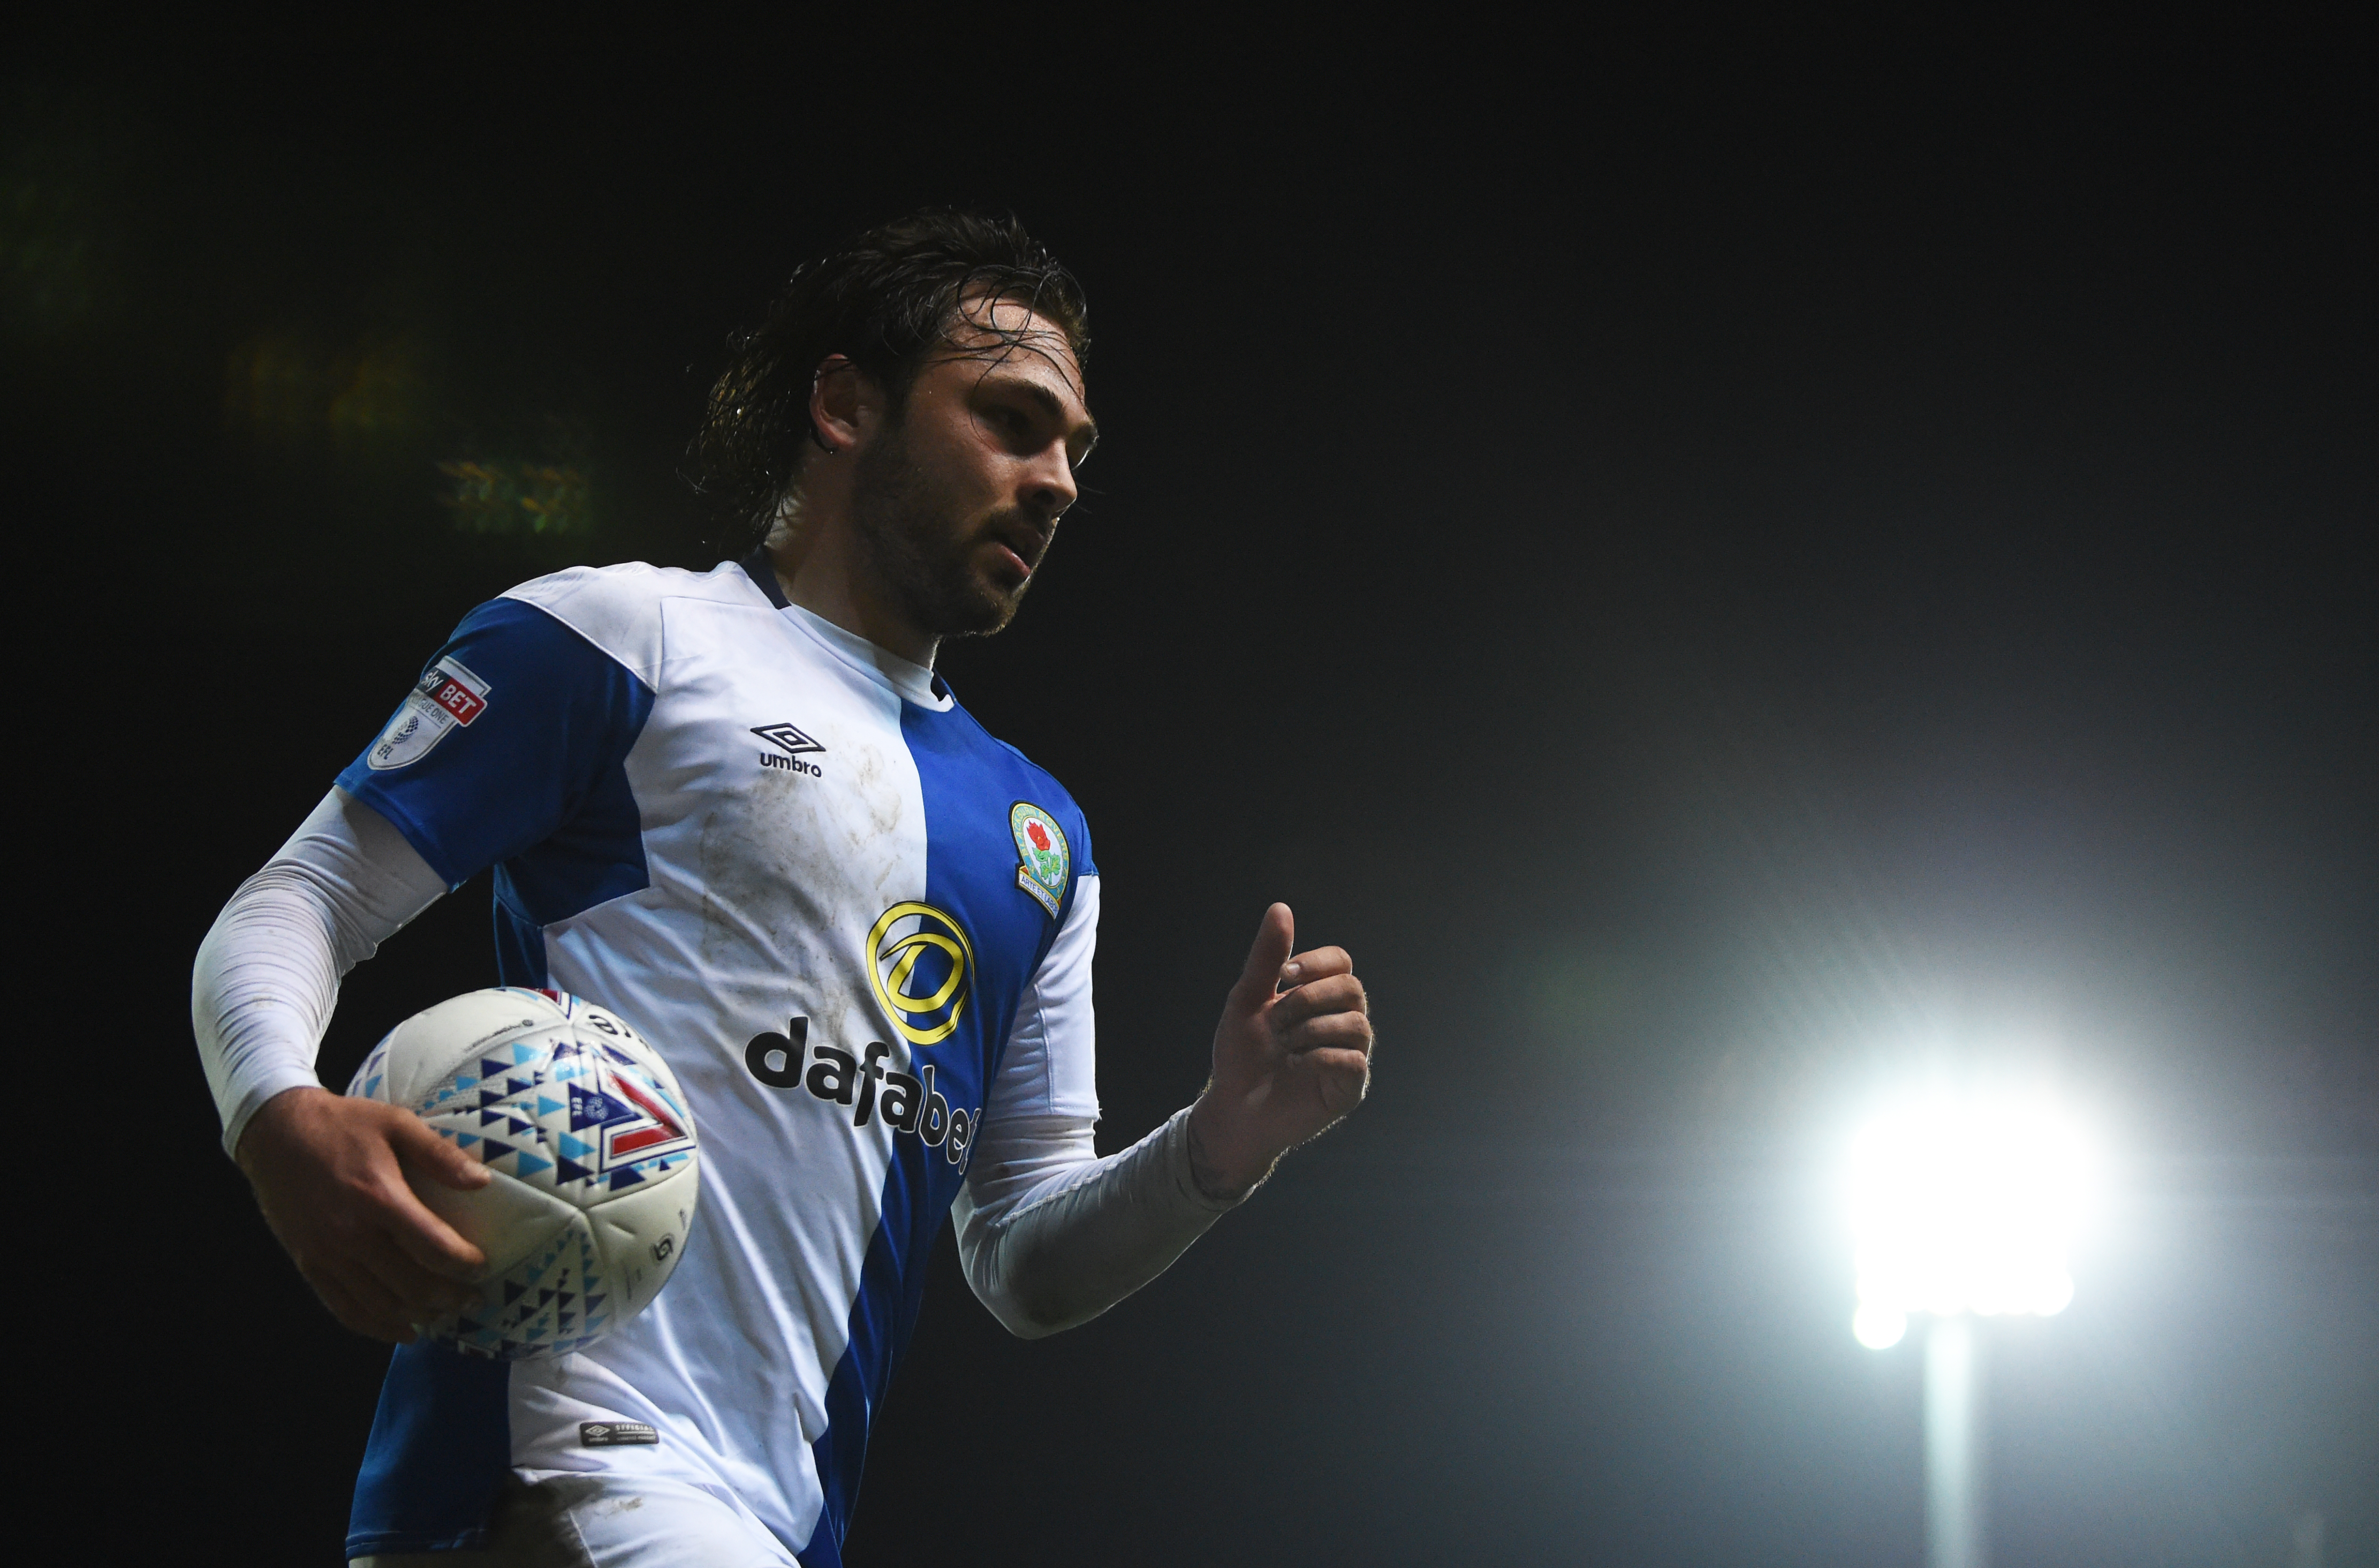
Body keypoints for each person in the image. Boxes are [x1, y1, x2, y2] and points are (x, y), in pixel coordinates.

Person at [190, 210, 1373, 1568]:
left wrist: (1221, 1144)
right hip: (559, 1470)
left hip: (770, 1523)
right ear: (843, 404)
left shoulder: (1041, 835)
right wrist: (277, 1117)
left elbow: (1022, 1264)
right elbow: (302, 898)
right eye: (1009, 418)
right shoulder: (624, 640)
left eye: (1073, 449)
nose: (1055, 479)